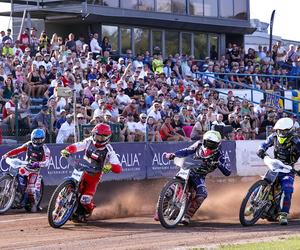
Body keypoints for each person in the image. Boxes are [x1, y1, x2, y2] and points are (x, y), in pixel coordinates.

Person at [160, 130, 231, 225]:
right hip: (188, 169)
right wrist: (174, 154)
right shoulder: (198, 144)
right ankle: (159, 210)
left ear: (218, 144)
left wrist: (218, 163)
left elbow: (228, 172)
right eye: (207, 142)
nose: (208, 146)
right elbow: (187, 150)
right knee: (169, 190)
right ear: (204, 140)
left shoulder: (219, 154)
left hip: (199, 176)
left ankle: (187, 216)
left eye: (212, 144)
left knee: (202, 195)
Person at [60, 123, 122, 222]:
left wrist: (110, 166)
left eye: (102, 137)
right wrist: (67, 150)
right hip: (82, 169)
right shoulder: (88, 141)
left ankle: (89, 210)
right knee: (69, 184)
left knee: (85, 199)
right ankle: (60, 203)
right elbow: (77, 145)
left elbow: (118, 167)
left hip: (94, 175)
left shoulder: (109, 150)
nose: (98, 139)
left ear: (107, 138)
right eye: (96, 136)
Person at [256, 117, 300, 225]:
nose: (280, 132)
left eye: (283, 130)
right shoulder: (274, 136)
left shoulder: (297, 141)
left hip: (288, 170)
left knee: (287, 188)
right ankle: (253, 204)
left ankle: (283, 214)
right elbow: (264, 144)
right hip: (275, 166)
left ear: (289, 130)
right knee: (264, 181)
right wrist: (261, 150)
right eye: (279, 130)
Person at [2, 129, 50, 212]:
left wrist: (38, 164)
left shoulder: (45, 149)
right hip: (25, 166)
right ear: (32, 138)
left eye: (39, 139)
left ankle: (34, 203)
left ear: (43, 139)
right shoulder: (28, 144)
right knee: (17, 176)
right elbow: (18, 150)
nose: (37, 141)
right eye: (35, 139)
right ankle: (15, 195)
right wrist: (8, 154)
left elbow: (47, 162)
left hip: (34, 171)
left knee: (31, 189)